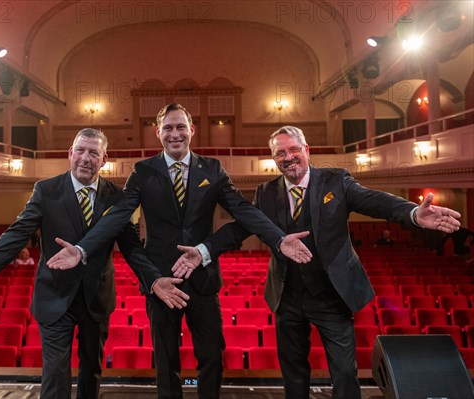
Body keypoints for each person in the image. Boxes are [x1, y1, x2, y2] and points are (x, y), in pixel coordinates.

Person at [172, 125, 461, 399]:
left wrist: (412, 214)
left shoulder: (336, 181)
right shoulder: (266, 193)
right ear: (274, 159)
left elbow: (375, 201)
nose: (289, 158)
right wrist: (203, 250)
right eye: (280, 154)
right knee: (294, 375)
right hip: (288, 296)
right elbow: (240, 228)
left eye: (294, 149)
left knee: (345, 374)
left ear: (307, 150)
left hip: (332, 295)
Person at [46, 104, 311, 399]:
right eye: (168, 128)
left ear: (191, 130)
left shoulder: (212, 169)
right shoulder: (143, 172)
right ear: (158, 132)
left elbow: (243, 211)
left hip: (203, 278)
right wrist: (83, 249)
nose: (175, 134)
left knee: (211, 357)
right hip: (161, 282)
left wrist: (278, 238)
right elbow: (118, 217)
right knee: (166, 360)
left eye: (180, 127)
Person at [0, 128, 189, 399]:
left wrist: (152, 279)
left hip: (96, 297)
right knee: (56, 374)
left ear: (104, 159)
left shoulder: (117, 197)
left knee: (91, 371)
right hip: (54, 295)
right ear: (70, 154)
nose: (85, 158)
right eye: (80, 150)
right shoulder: (46, 190)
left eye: (94, 153)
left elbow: (131, 247)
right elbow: (15, 236)